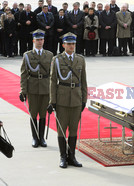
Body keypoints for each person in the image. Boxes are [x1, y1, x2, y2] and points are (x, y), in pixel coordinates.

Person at [48, 32, 87, 168]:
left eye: (73, 44)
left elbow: (84, 81)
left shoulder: (81, 59)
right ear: (63, 45)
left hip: (76, 99)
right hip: (62, 99)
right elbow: (53, 81)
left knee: (74, 130)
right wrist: (52, 101)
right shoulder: (57, 60)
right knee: (61, 129)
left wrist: (84, 99)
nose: (72, 46)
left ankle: (72, 157)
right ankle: (62, 157)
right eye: (69, 44)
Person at [19, 29, 54, 148]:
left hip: (45, 87)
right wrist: (23, 90)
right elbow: (24, 74)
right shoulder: (28, 55)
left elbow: (52, 75)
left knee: (43, 114)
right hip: (32, 87)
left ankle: (42, 138)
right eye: (37, 40)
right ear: (33, 41)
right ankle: (34, 137)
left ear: (44, 40)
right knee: (33, 113)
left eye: (41, 39)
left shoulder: (49, 55)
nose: (40, 42)